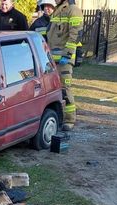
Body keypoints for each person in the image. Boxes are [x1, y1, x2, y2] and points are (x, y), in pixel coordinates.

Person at [47, 0, 83, 131]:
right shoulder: (58, 10)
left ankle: (69, 119)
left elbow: (76, 34)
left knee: (65, 89)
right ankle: (59, 116)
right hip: (52, 59)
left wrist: (67, 55)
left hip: (64, 60)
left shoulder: (73, 10)